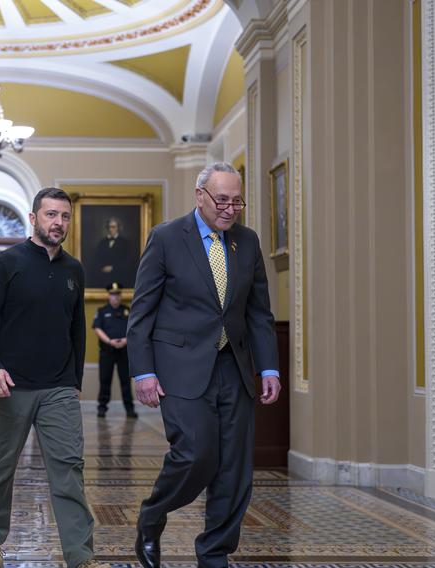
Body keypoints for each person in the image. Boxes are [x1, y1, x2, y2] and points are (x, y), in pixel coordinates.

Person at [127, 162, 282, 568]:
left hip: (234, 366)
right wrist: (143, 372)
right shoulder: (165, 238)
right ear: (200, 196)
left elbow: (259, 312)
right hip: (179, 366)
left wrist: (269, 368)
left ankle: (214, 555)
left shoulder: (247, 242)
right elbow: (141, 312)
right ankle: (152, 515)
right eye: (222, 200)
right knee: (195, 455)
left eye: (237, 201)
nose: (231, 209)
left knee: (234, 468)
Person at [0, 187, 107, 568]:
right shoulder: (7, 262)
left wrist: (75, 378)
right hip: (10, 386)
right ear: (33, 218)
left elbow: (77, 328)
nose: (58, 223)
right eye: (51, 215)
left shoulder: (74, 269)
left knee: (68, 469)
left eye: (64, 216)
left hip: (58, 388)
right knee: (0, 467)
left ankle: (80, 556)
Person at [92, 282, 136, 419]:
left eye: (117, 294)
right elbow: (97, 329)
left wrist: (125, 340)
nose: (115, 297)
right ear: (109, 296)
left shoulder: (127, 311)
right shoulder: (102, 311)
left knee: (125, 382)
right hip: (107, 352)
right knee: (105, 380)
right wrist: (110, 342)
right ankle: (102, 408)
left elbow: (133, 329)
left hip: (124, 351)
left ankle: (130, 410)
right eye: (113, 295)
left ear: (120, 296)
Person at [91, 217, 134, 288]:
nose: (110, 229)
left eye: (113, 227)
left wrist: (113, 268)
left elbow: (128, 262)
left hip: (120, 277)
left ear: (118, 228)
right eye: (109, 227)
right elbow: (96, 259)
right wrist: (102, 268)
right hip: (103, 278)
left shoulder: (125, 243)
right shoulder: (102, 243)